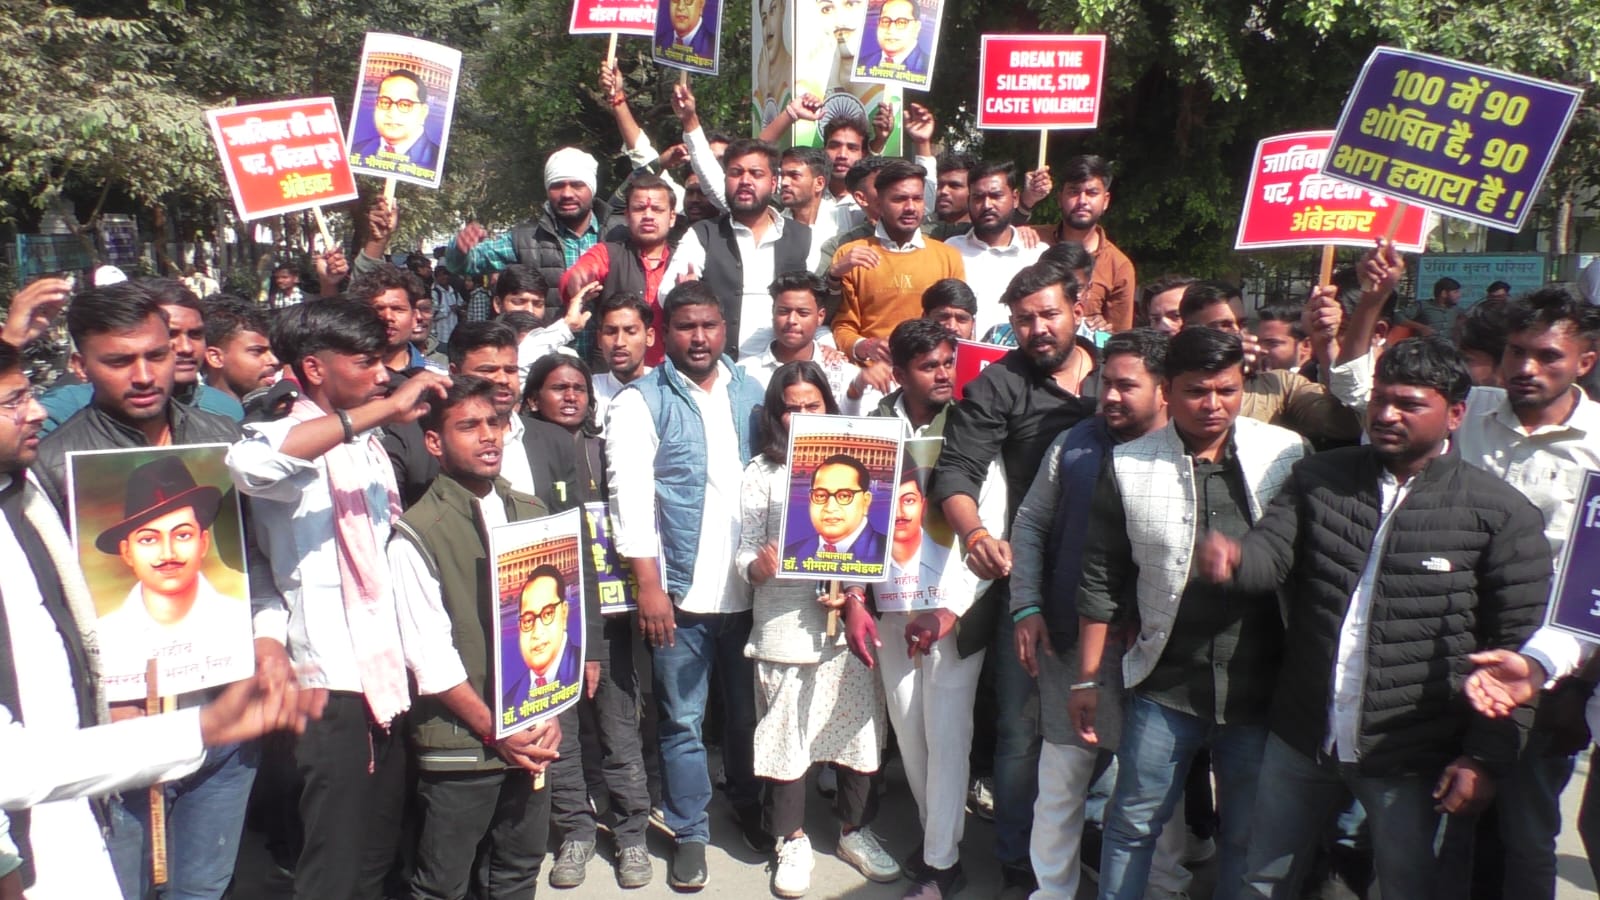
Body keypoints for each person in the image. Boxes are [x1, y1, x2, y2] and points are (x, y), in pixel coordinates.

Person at [1188, 336, 1550, 900]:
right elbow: (1272, 552)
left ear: (1455, 414)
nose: (1385, 414)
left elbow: (1517, 651)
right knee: (1263, 877)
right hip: (1303, 735)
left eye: (1408, 404)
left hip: (1411, 753)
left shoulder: (1498, 514)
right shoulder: (1320, 477)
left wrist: (1483, 757)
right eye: (1380, 399)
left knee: (1408, 886)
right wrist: (1235, 561)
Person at [1342, 274, 1600, 900]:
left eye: (1548, 356)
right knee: (1433, 824)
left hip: (1542, 671)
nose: (1527, 369)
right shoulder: (1469, 410)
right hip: (1439, 658)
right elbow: (1353, 384)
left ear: (1585, 362)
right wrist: (1370, 301)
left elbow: (1592, 587)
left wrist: (1571, 687)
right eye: (1517, 352)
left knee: (1525, 833)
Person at [1072, 326, 1309, 900]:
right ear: (1167, 391)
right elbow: (1101, 576)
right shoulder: (1129, 464)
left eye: (1226, 390)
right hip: (1165, 683)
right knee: (1132, 824)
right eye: (1197, 391)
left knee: (1247, 834)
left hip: (1259, 687)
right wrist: (1086, 676)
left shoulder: (1285, 454)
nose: (1213, 405)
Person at [227, 299, 451, 899]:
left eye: (383, 362)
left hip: (388, 673)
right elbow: (248, 466)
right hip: (328, 681)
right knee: (334, 861)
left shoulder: (370, 445)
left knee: (380, 851)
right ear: (314, 368)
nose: (382, 375)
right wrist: (379, 412)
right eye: (365, 362)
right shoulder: (281, 435)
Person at [927, 253, 1100, 893]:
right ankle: (1017, 858)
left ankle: (1093, 843)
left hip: (1115, 582)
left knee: (1107, 724)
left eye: (1048, 314)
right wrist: (974, 533)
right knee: (1021, 729)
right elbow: (956, 470)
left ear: (1078, 310)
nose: (1038, 330)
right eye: (1024, 320)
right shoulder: (1000, 384)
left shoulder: (1119, 375)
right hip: (1027, 581)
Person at [1008, 329, 1191, 900]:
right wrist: (1026, 604)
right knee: (1061, 779)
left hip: (1156, 649)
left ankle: (1164, 886)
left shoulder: (1186, 453)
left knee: (1154, 785)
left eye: (1126, 386)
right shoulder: (1074, 444)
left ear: (1164, 390)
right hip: (1069, 640)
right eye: (1105, 382)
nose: (1110, 396)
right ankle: (1052, 890)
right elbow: (1031, 524)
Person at [605, 281, 768, 888]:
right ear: (664, 333)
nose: (699, 338)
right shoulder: (640, 402)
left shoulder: (751, 391)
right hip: (680, 592)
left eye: (709, 325)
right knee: (682, 720)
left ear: (725, 328)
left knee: (747, 716)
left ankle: (749, 805)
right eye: (685, 327)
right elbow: (630, 499)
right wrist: (649, 586)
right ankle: (690, 831)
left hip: (749, 590)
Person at [387, 375, 562, 899]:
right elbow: (430, 658)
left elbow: (556, 627)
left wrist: (549, 711)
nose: (488, 436)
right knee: (444, 883)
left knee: (517, 871)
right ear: (434, 442)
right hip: (461, 744)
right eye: (468, 426)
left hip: (531, 735)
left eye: (495, 422)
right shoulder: (419, 532)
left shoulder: (531, 512)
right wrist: (496, 731)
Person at [737, 362, 898, 897]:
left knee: (857, 729)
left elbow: (870, 543)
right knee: (787, 733)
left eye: (813, 404)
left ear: (828, 406)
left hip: (845, 626)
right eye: (792, 407)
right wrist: (758, 567)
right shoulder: (763, 473)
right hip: (785, 625)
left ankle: (854, 829)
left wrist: (853, 593)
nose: (803, 414)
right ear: (775, 413)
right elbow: (745, 553)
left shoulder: (858, 465)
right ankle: (792, 838)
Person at [868, 318, 1004, 898]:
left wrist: (950, 609)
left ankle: (942, 865)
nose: (945, 374)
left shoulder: (972, 424)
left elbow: (990, 520)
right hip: (891, 604)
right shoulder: (872, 426)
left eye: (949, 361)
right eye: (929, 366)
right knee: (910, 732)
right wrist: (853, 596)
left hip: (954, 610)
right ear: (899, 373)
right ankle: (936, 842)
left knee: (947, 736)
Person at [523, 357, 655, 891]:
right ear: (533, 398)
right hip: (549, 615)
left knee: (619, 727)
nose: (571, 396)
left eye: (579, 387)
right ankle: (575, 831)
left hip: (612, 613)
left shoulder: (607, 449)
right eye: (558, 388)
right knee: (564, 733)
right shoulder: (522, 454)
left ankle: (631, 833)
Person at [662, 136, 812, 359]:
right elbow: (666, 293)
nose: (745, 181)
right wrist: (687, 293)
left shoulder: (803, 237)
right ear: (725, 181)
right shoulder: (703, 234)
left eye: (756, 173)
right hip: (717, 367)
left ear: (773, 183)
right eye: (736, 173)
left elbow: (816, 307)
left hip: (782, 369)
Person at [93, 455, 241, 668]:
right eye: (148, 539)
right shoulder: (105, 638)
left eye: (182, 535)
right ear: (127, 552)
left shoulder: (239, 621)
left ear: (203, 543)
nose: (168, 554)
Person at [42, 279, 244, 434]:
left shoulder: (225, 414)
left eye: (196, 334)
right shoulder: (59, 413)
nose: (185, 348)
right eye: (171, 334)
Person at [1178, 281, 1365, 445]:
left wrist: (1324, 344)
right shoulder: (1169, 383)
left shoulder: (1280, 386)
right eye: (1223, 326)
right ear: (1188, 331)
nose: (1237, 333)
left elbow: (1350, 425)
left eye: (1241, 324)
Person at [832, 162, 965, 366]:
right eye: (899, 199)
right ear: (879, 204)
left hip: (930, 373)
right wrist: (866, 346)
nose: (910, 207)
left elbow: (958, 323)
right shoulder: (852, 256)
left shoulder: (948, 257)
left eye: (917, 199)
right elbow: (842, 327)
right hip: (871, 374)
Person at [447, 147, 604, 304]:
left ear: (592, 188)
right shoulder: (526, 240)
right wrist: (459, 248)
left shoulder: (614, 233)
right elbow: (465, 264)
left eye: (577, 185)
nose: (567, 194)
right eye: (557, 185)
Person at [559, 174, 678, 367]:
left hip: (670, 374)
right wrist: (576, 280)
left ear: (672, 217)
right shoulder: (607, 253)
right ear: (627, 216)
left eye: (657, 209)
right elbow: (577, 276)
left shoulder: (684, 261)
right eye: (639, 208)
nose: (648, 216)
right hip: (614, 375)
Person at [1031, 155, 1136, 332]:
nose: (1082, 201)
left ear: (1106, 201)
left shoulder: (1118, 266)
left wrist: (1104, 330)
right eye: (1074, 192)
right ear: (1059, 198)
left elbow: (1121, 336)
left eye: (1092, 193)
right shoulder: (1031, 239)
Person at [943, 161, 1046, 338]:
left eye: (996, 196)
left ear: (1015, 198)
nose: (987, 205)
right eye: (978, 197)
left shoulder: (1036, 255)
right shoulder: (951, 251)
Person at [738, 271, 856, 404]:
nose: (792, 320)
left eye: (803, 313)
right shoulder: (744, 374)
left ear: (820, 316)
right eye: (783, 312)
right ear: (773, 312)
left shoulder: (846, 376)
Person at [781, 454, 887, 562]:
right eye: (820, 496)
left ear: (865, 502)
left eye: (844, 496)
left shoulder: (888, 553)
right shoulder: (789, 554)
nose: (830, 508)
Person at [502, 568, 581, 703]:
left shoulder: (583, 669)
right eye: (528, 621)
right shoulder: (509, 701)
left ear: (564, 613)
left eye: (548, 614)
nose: (537, 633)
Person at [351, 70, 440, 168]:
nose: (392, 113)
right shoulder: (356, 151)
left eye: (405, 105)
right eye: (385, 102)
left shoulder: (436, 160)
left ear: (423, 112)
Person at [592, 293, 656, 430]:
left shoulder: (666, 390)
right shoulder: (589, 391)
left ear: (649, 337)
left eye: (630, 331)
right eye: (611, 332)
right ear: (599, 339)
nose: (619, 342)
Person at [201, 295, 279, 406]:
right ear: (216, 358)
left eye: (271, 351)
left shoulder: (284, 408)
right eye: (257, 351)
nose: (274, 361)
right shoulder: (191, 414)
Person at [860, 0, 929, 74]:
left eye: (901, 22)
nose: (891, 30)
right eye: (885, 21)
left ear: (917, 27)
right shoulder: (861, 63)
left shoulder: (928, 67)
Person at [1253, 302, 1311, 372]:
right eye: (1257, 343)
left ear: (1305, 346)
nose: (1260, 349)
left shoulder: (1320, 376)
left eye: (1272, 343)